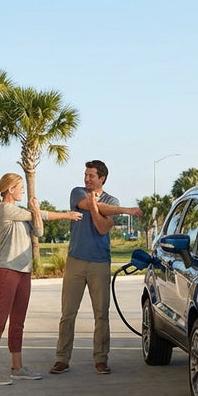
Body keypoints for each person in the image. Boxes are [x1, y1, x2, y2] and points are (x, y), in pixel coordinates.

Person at [0, 172, 82, 385]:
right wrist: (65, 215)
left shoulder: (23, 213)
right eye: (20, 188)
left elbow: (38, 231)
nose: (23, 191)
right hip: (7, 269)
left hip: (24, 271)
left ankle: (17, 368)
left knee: (18, 322)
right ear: (10, 189)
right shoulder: (4, 209)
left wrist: (36, 211)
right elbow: (39, 216)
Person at [51, 160, 142, 375]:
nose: (87, 179)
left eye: (91, 175)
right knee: (68, 313)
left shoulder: (111, 201)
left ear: (102, 178)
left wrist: (94, 207)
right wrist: (125, 210)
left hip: (100, 262)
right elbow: (89, 205)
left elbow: (102, 228)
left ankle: (101, 359)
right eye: (86, 175)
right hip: (75, 260)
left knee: (101, 314)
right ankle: (62, 359)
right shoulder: (77, 192)